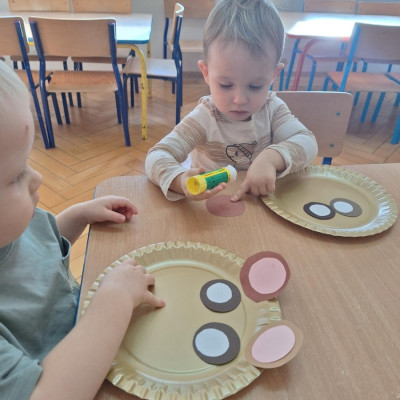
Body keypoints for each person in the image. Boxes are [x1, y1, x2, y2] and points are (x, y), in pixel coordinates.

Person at [0, 61, 165, 400]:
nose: (37, 178)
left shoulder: (13, 227)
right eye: (15, 176)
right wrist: (115, 300)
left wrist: (76, 217)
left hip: (95, 335)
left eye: (28, 162)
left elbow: (38, 254)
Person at [145, 0, 318, 202]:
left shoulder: (272, 108)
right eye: (226, 85)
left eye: (255, 86)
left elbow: (308, 142)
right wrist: (179, 180)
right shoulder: (204, 117)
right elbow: (156, 155)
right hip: (209, 208)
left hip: (258, 205)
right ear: (206, 73)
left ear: (274, 75)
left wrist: (272, 158)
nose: (239, 100)